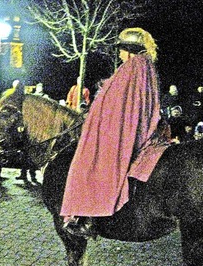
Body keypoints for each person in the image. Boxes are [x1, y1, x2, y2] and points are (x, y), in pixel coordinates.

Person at [61, 27, 169, 236]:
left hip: (127, 129)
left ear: (129, 49)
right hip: (140, 126)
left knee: (89, 161)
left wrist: (95, 120)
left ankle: (88, 216)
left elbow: (113, 104)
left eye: (121, 49)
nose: (119, 54)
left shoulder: (132, 67)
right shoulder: (146, 66)